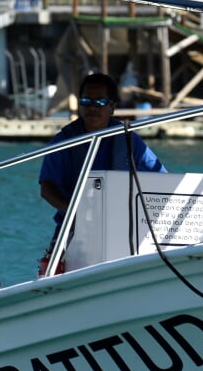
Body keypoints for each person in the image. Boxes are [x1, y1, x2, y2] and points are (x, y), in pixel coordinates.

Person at [37, 73, 165, 271]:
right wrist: (76, 213)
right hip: (73, 232)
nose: (93, 107)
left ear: (112, 107)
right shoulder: (63, 140)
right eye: (86, 101)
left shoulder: (130, 140)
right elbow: (47, 188)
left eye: (100, 102)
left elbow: (161, 179)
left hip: (122, 231)